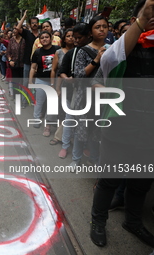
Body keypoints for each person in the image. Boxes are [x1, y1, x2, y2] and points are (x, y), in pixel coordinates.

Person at [90, 0, 154, 248]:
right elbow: (105, 69)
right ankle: (98, 221)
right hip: (120, 128)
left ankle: (133, 222)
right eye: (149, 14)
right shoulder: (121, 49)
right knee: (109, 180)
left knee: (141, 183)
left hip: (149, 132)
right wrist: (142, 19)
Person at [69, 15, 109, 169]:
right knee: (81, 129)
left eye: (104, 26)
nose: (101, 30)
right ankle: (76, 159)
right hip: (84, 96)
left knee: (96, 130)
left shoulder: (112, 48)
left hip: (102, 95)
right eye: (97, 27)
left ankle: (94, 159)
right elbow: (78, 75)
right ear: (91, 32)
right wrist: (96, 60)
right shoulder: (83, 51)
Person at [57, 23, 91, 159]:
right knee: (69, 120)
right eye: (73, 37)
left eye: (78, 38)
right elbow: (61, 72)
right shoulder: (70, 53)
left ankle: (85, 147)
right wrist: (67, 80)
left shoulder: (97, 52)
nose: (75, 40)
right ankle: (65, 146)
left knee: (87, 123)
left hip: (89, 94)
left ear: (88, 36)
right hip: (71, 92)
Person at [29, 30, 60, 135]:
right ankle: (36, 119)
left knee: (51, 103)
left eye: (47, 37)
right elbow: (33, 68)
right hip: (40, 80)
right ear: (39, 40)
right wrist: (30, 81)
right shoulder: (37, 52)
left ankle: (48, 126)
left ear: (51, 38)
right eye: (42, 38)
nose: (44, 39)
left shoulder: (57, 50)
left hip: (54, 81)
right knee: (39, 101)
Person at [49, 28, 74, 145]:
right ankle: (59, 136)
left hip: (76, 85)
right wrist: (55, 86)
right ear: (64, 38)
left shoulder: (79, 51)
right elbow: (54, 70)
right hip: (62, 84)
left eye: (73, 36)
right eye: (68, 36)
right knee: (62, 110)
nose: (71, 38)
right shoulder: (59, 52)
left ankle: (69, 137)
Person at [16, 10, 39, 108]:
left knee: (37, 82)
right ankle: (24, 101)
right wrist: (24, 17)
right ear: (29, 24)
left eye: (36, 23)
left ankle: (35, 101)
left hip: (39, 63)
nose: (34, 24)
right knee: (26, 82)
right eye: (32, 23)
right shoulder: (27, 33)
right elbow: (17, 28)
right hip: (27, 62)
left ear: (38, 24)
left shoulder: (42, 35)